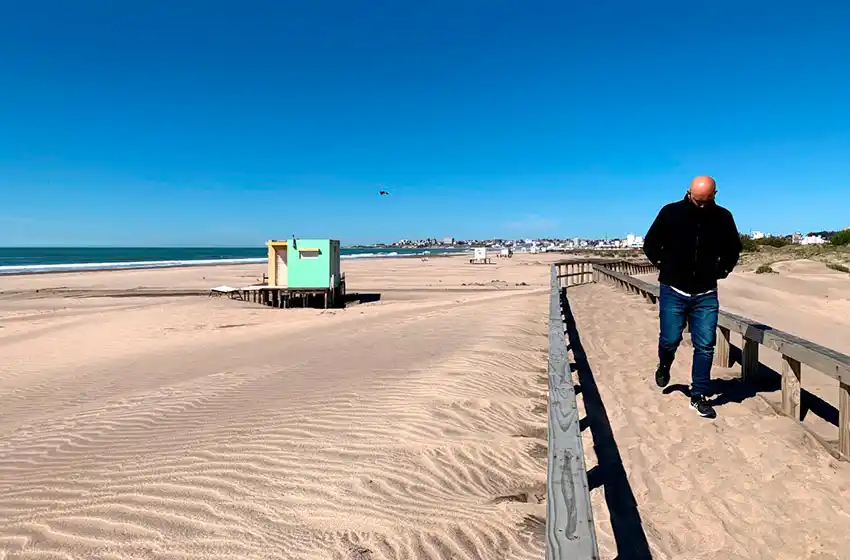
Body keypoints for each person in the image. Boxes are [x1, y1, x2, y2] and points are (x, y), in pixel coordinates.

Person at [643, 176, 742, 419]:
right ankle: (664, 364)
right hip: (673, 289)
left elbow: (733, 248)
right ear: (688, 193)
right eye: (696, 200)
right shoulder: (670, 212)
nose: (700, 205)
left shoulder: (723, 217)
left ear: (714, 195)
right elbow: (650, 243)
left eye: (705, 202)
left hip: (706, 292)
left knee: (706, 345)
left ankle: (698, 396)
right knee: (670, 338)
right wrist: (662, 264)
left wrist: (724, 270)